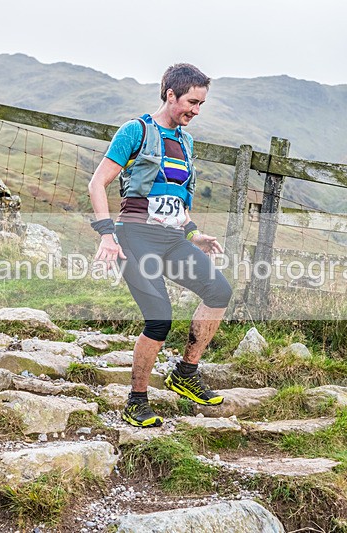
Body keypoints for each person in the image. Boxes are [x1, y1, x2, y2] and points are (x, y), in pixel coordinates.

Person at [87, 63, 232, 427]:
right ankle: (136, 400)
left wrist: (193, 233)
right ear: (170, 94)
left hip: (172, 239)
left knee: (219, 291)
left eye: (201, 104)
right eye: (191, 102)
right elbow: (97, 183)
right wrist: (107, 233)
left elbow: (175, 200)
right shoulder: (134, 131)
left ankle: (185, 372)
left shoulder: (186, 141)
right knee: (159, 319)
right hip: (134, 239)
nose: (195, 111)